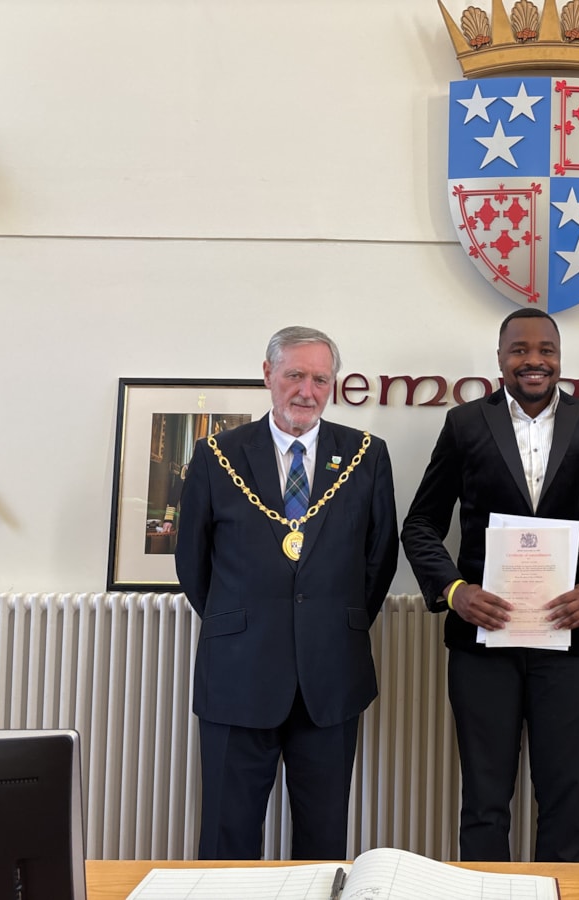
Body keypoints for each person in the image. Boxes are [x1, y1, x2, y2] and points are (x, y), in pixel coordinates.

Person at [401, 307, 579, 862]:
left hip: (570, 643)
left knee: (564, 798)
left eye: (546, 350)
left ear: (560, 358)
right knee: (485, 801)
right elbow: (419, 525)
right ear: (500, 360)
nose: (534, 360)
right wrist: (455, 591)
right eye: (520, 350)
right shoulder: (464, 425)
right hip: (483, 645)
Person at [175, 325, 399, 860]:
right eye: (295, 374)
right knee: (227, 839)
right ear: (268, 374)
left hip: (331, 676)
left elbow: (379, 559)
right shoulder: (215, 457)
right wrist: (246, 622)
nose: (307, 390)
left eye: (321, 378)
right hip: (238, 673)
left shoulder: (367, 455)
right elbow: (193, 565)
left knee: (324, 844)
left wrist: (324, 624)